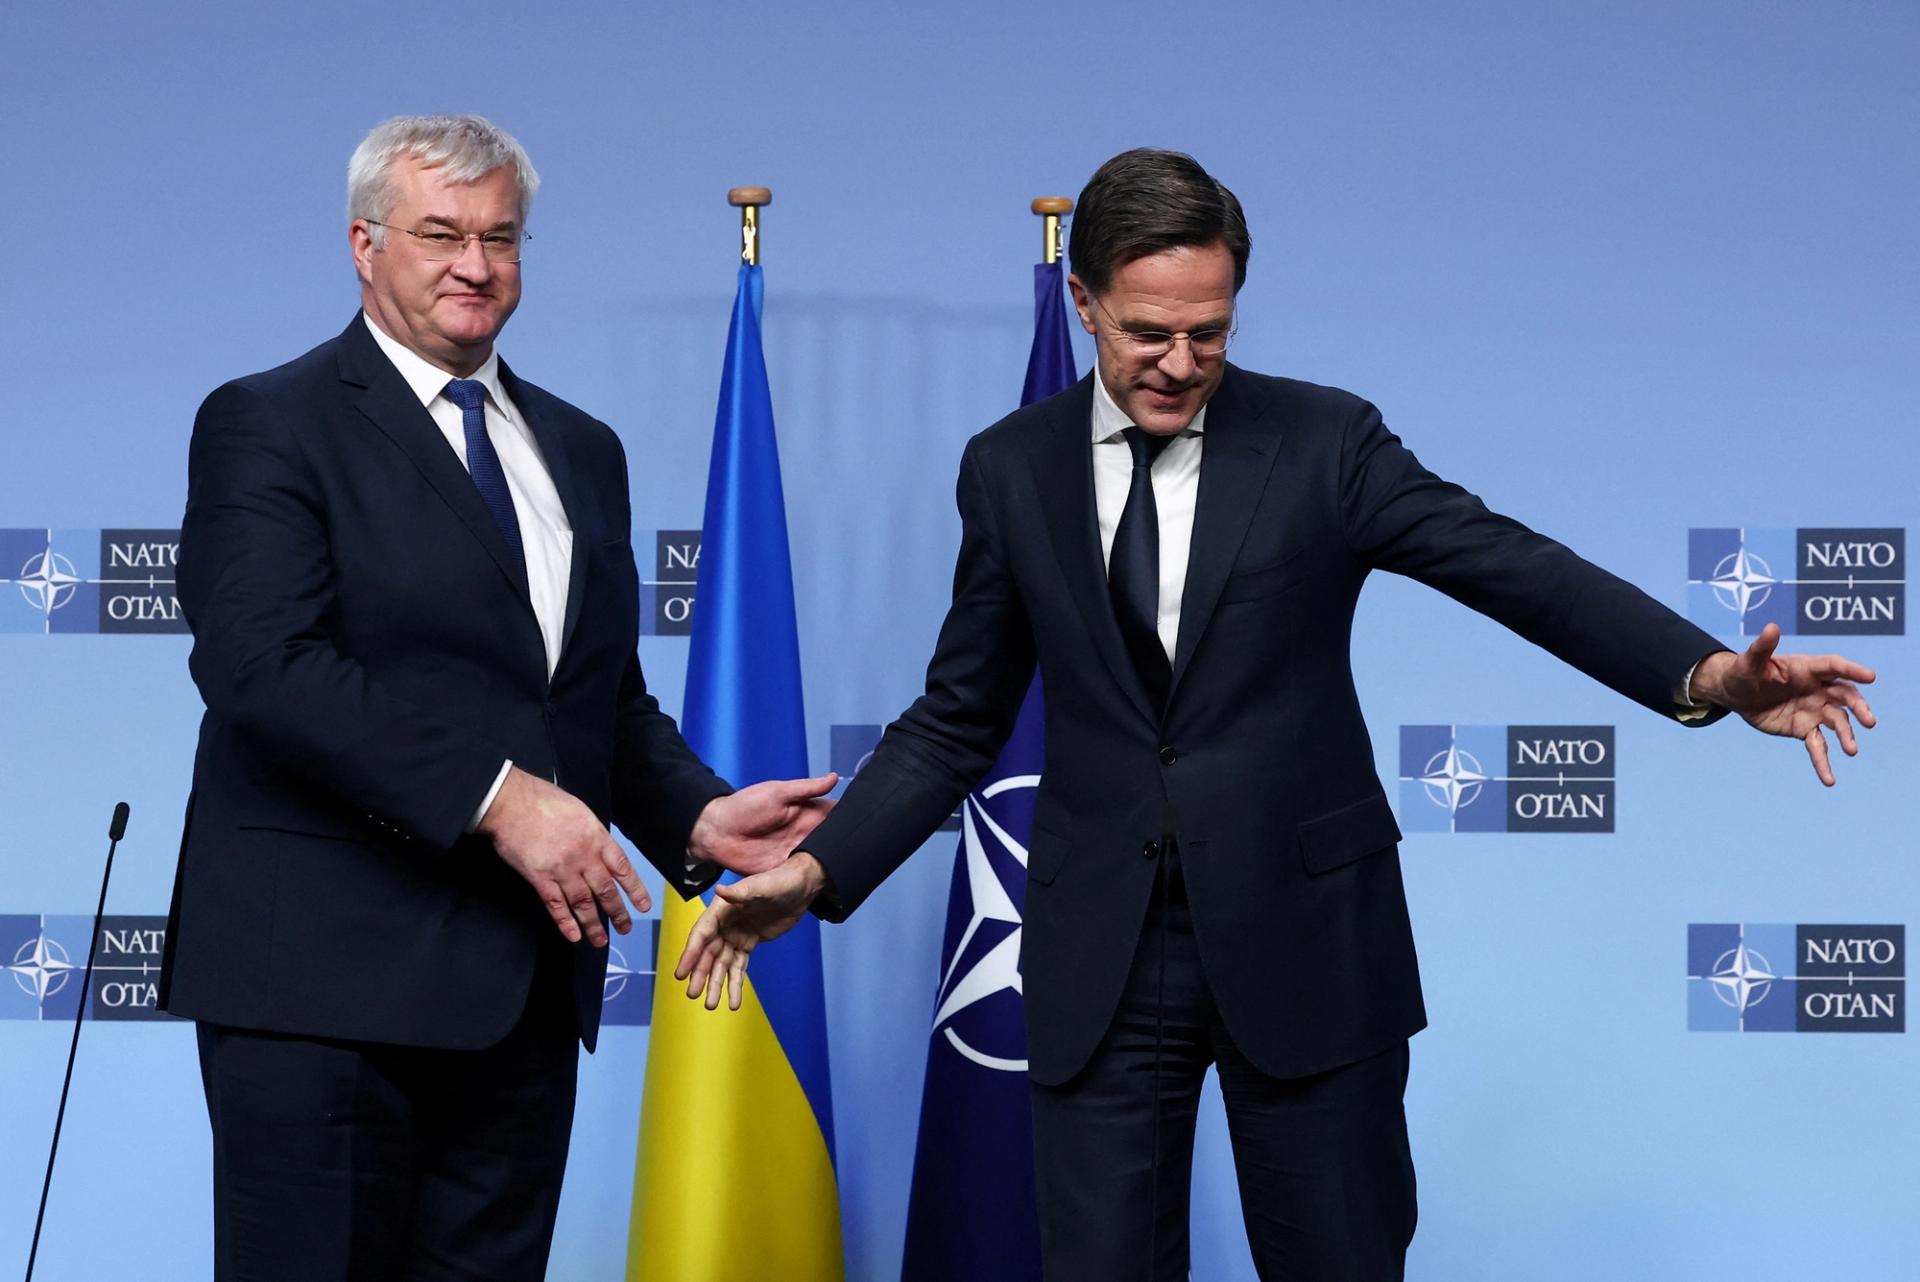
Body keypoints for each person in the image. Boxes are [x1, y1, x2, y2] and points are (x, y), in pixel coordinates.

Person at [675, 148, 1878, 1281]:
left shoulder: (1325, 441)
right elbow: (956, 715)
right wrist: (823, 870)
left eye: (1211, 331)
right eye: (1148, 331)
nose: (1181, 362)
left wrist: (1709, 675)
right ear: (1084, 302)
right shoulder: (1009, 466)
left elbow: (1513, 566)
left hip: (1309, 940)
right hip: (1103, 952)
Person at [159, 114, 834, 1281]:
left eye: (501, 238)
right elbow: (262, 666)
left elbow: (595, 702)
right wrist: (497, 797)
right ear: (365, 246)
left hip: (518, 1000)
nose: (476, 265)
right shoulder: (269, 420)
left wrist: (695, 819)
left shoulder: (582, 448)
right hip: (323, 998)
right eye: (440, 234)